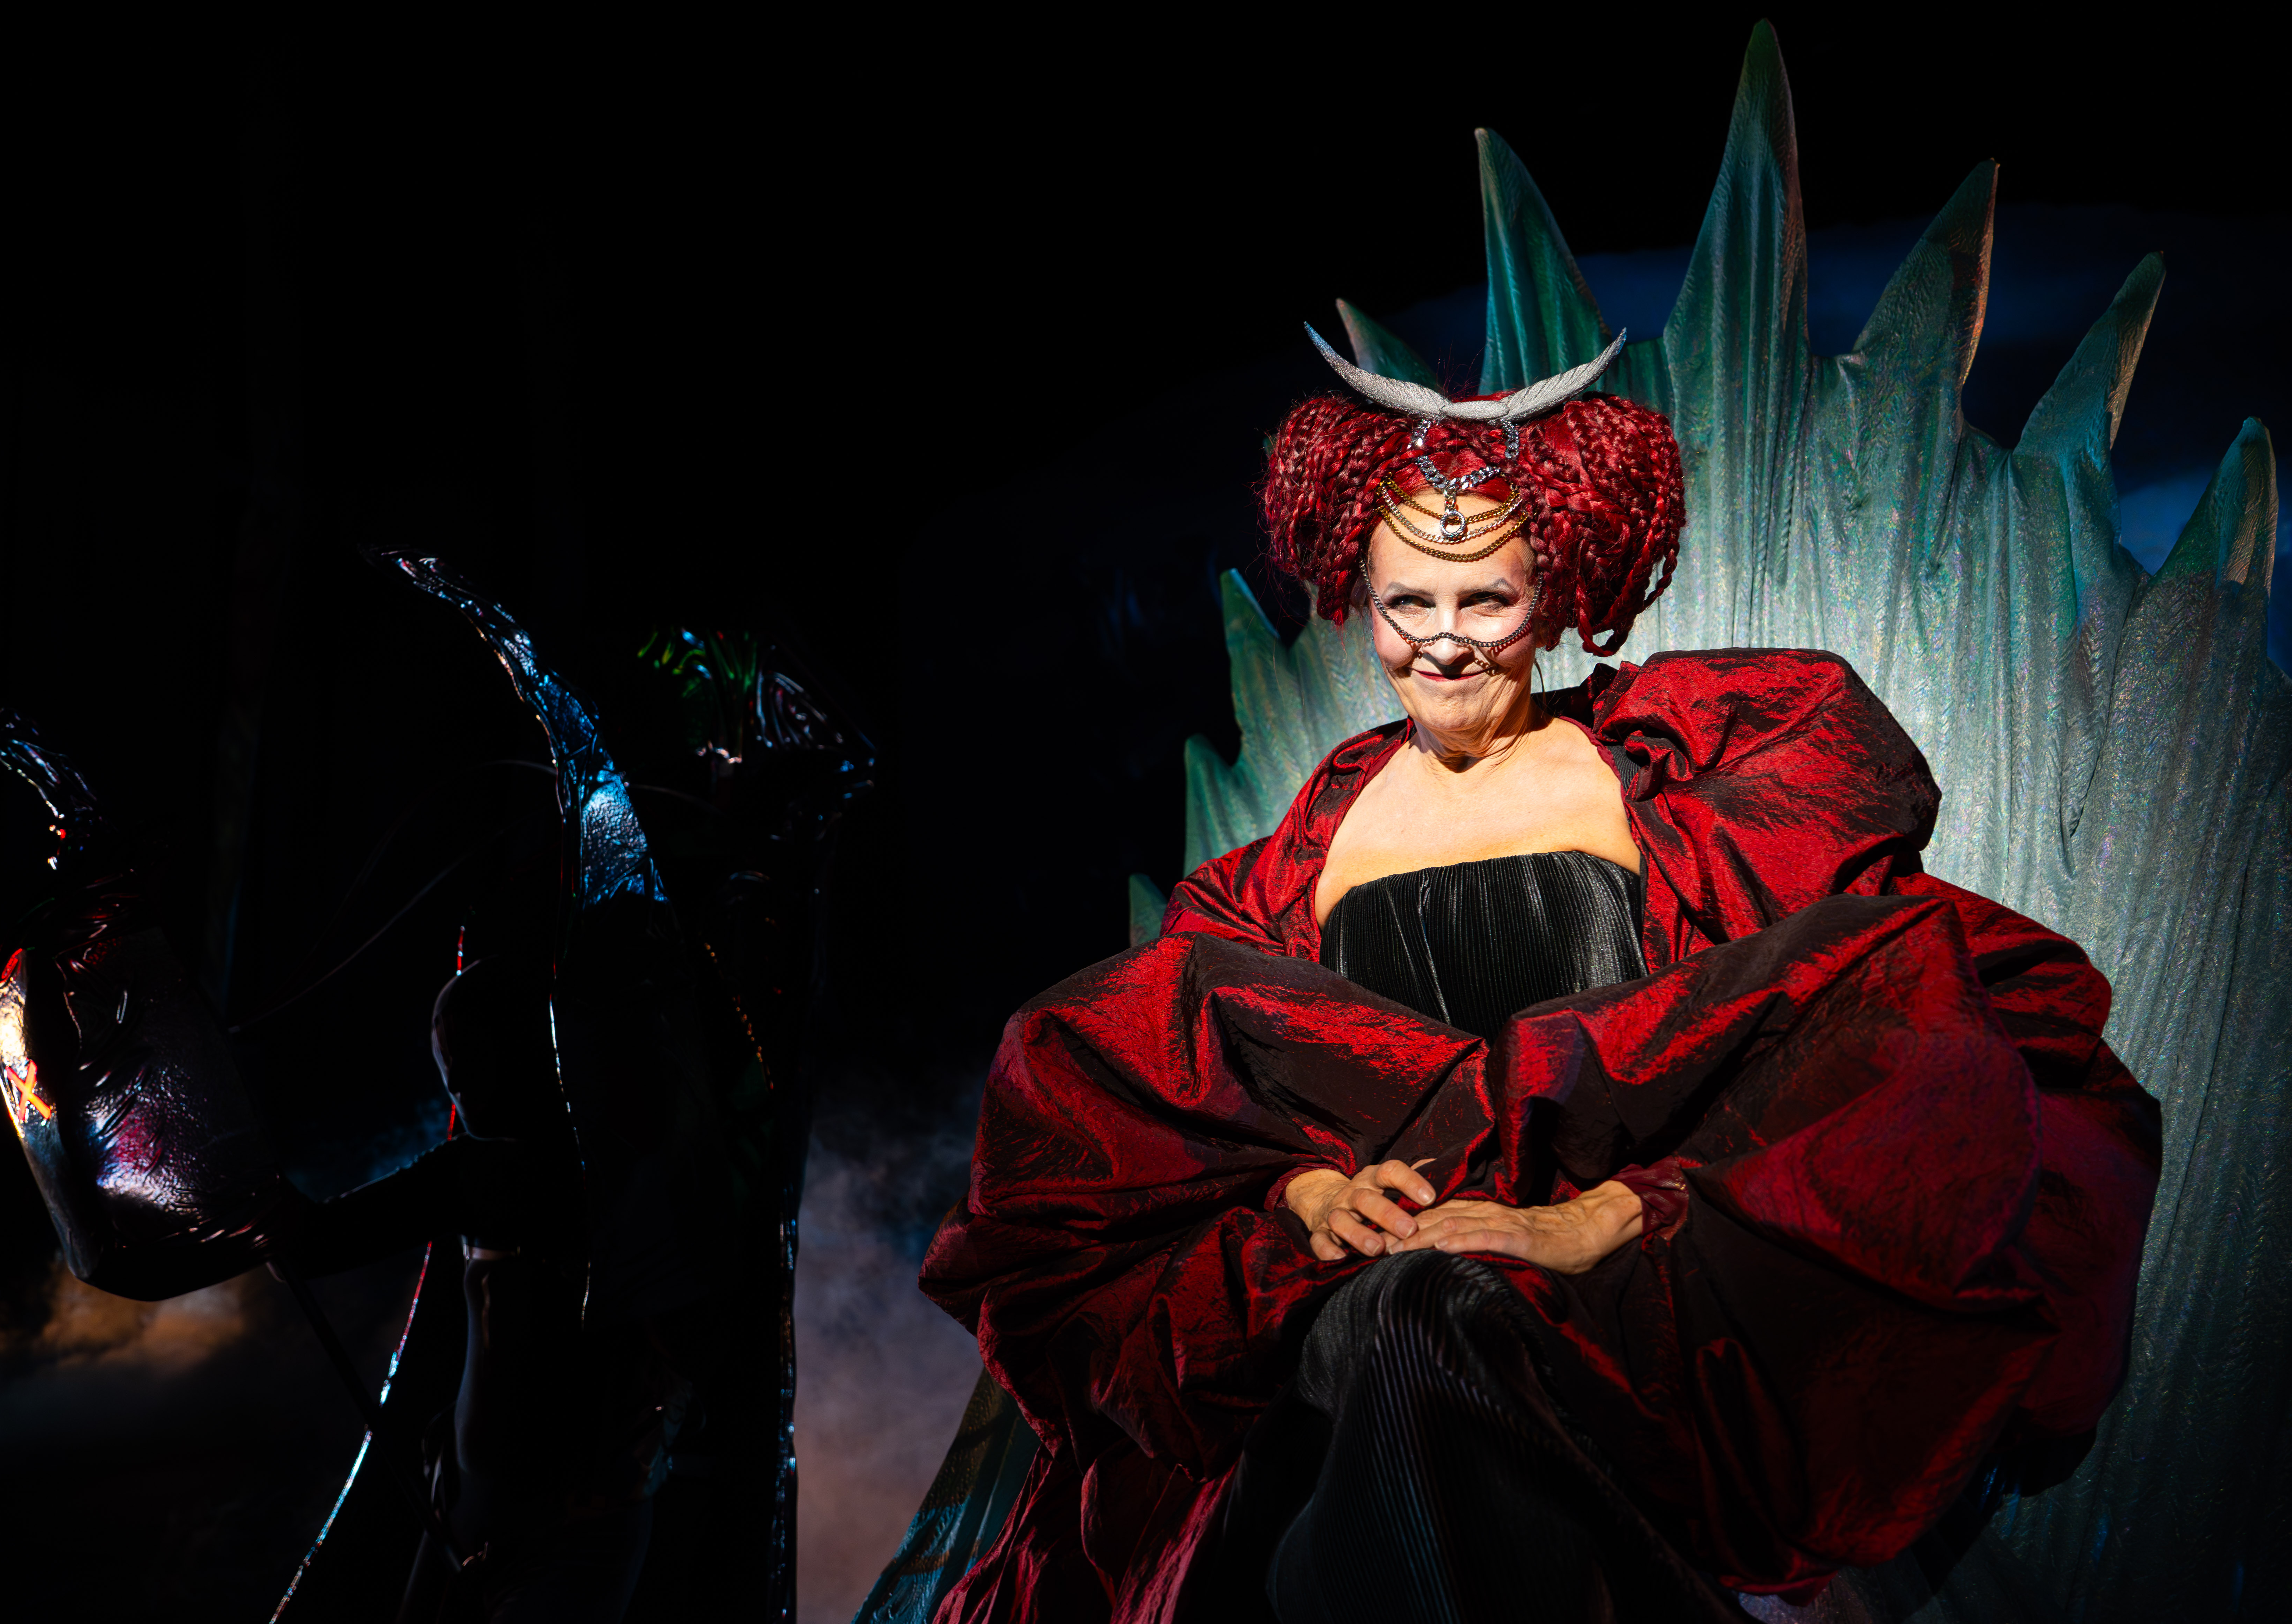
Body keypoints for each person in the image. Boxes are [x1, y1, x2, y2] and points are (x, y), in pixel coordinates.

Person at [917, 339, 2162, 1622]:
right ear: (1360, 596)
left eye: (1486, 601)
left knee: (1441, 1322)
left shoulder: (1672, 780)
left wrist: (1603, 1220)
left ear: (1553, 593)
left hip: (1613, 1293)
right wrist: (1305, 1189)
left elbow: (1875, 1024)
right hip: (1367, 1289)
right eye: (1408, 603)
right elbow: (1177, 1076)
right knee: (1400, 1325)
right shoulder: (1301, 855)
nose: (1444, 643)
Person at [285, 953, 692, 1624]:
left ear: (524, 1048)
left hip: (573, 1530)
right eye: (449, 1063)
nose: (455, 1080)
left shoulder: (528, 1170)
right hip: (483, 1513)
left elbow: (311, 1244)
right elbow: (310, 1245)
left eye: (469, 1058)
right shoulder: (587, 1161)